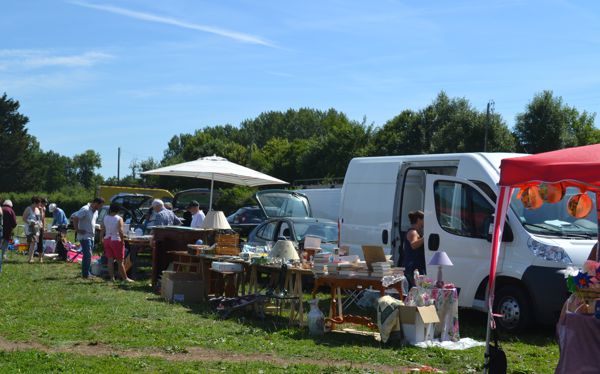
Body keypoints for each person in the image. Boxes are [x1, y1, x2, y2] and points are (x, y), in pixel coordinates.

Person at [72, 197, 105, 279]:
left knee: (88, 255)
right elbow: (75, 218)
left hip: (91, 236)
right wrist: (77, 230)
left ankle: (86, 272)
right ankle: (85, 274)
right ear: (96, 203)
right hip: (84, 236)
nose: (100, 207)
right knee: (88, 255)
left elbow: (92, 222)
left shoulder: (96, 211)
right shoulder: (85, 209)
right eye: (100, 205)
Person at [102, 203, 133, 282]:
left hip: (107, 239)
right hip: (116, 240)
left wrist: (101, 238)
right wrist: (122, 240)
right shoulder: (119, 218)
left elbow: (102, 229)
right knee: (120, 261)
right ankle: (125, 278)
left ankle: (112, 278)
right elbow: (120, 231)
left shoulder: (105, 217)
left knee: (110, 260)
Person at [403, 210, 426, 289]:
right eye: (424, 219)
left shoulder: (416, 232)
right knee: (415, 290)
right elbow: (413, 245)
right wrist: (425, 237)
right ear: (419, 220)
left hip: (417, 267)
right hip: (413, 268)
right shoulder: (413, 232)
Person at [23, 196, 43, 264]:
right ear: (34, 203)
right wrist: (30, 222)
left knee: (33, 243)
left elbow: (39, 219)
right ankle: (30, 258)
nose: (39, 204)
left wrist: (40, 224)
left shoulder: (38, 209)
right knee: (32, 242)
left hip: (36, 228)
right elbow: (24, 218)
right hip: (29, 228)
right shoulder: (28, 209)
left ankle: (30, 257)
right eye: (38, 203)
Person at [0, 200, 17, 273]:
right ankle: (3, 255)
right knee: (5, 243)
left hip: (1, 229)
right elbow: (14, 223)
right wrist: (12, 226)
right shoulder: (11, 210)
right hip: (7, 230)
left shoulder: (1, 208)